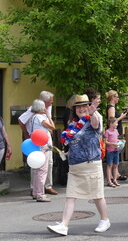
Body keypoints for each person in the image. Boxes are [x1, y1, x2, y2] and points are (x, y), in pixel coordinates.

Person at [47, 94, 109, 236]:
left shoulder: (94, 118)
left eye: (83, 106)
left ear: (88, 107)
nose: (81, 109)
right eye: (78, 107)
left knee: (97, 195)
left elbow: (95, 125)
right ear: (74, 109)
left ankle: (105, 220)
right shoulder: (73, 125)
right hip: (75, 166)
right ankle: (64, 225)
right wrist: (66, 154)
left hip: (91, 164)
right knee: (70, 196)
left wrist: (92, 112)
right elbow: (74, 144)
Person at [18, 91, 58, 195]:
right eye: (50, 101)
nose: (51, 103)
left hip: (46, 138)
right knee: (37, 164)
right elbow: (21, 120)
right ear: (43, 102)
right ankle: (34, 188)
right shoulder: (34, 109)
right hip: (38, 140)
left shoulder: (48, 108)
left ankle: (47, 186)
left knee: (49, 163)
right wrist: (27, 133)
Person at [29, 99, 55, 202]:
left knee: (37, 170)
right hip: (43, 146)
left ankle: (36, 192)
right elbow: (52, 127)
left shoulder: (33, 117)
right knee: (42, 171)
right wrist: (48, 115)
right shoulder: (40, 117)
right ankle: (40, 194)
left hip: (36, 145)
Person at [105, 90, 128, 181]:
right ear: (113, 97)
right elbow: (111, 120)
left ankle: (116, 174)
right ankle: (113, 175)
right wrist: (121, 117)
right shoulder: (111, 108)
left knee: (116, 152)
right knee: (114, 152)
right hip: (113, 132)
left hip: (115, 131)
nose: (118, 98)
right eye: (117, 96)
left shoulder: (113, 107)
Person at [104, 117, 121, 188]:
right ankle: (109, 180)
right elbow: (105, 141)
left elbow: (116, 139)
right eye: (116, 123)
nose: (117, 124)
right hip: (110, 150)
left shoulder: (116, 131)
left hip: (116, 150)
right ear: (111, 124)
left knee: (115, 165)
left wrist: (120, 141)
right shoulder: (107, 132)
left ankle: (114, 179)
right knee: (109, 165)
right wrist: (113, 144)